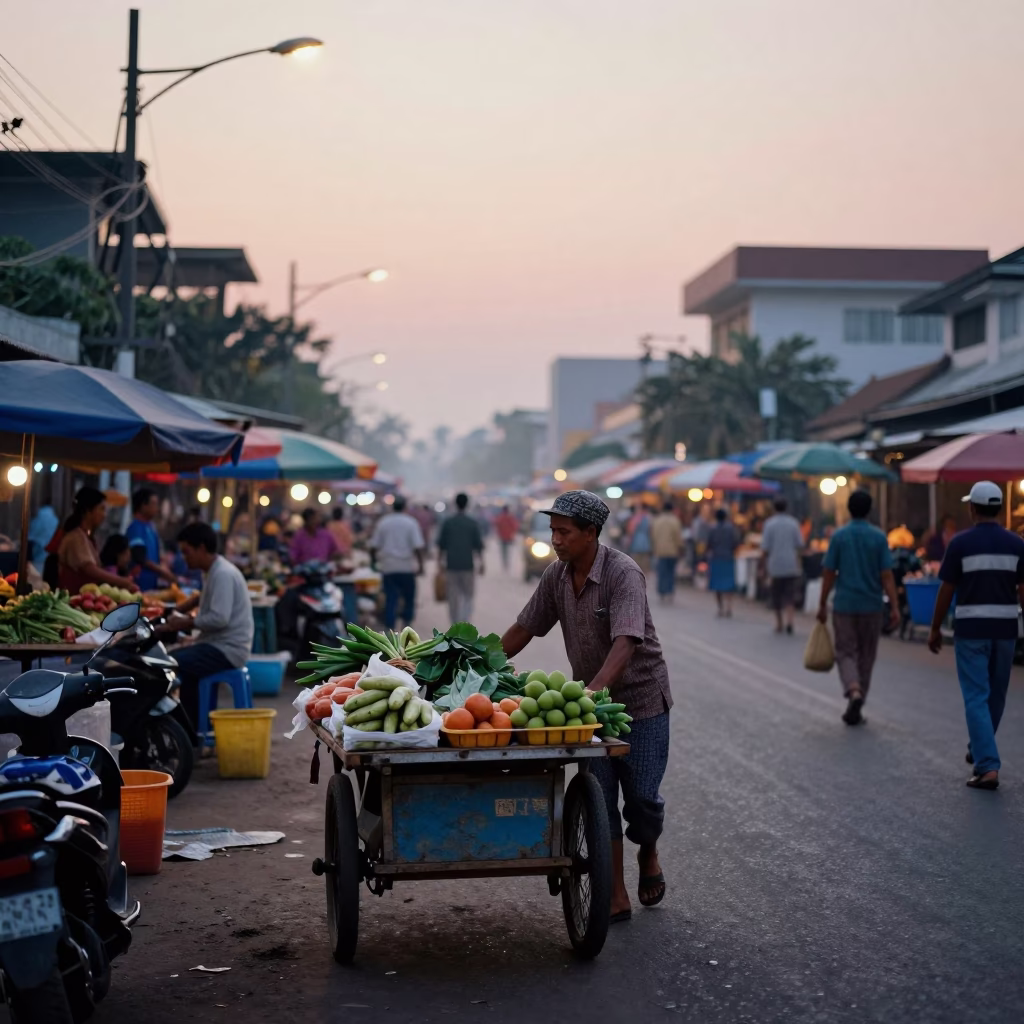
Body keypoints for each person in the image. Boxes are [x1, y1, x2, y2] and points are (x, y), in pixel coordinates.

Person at [500, 490, 672, 922]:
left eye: (564, 532)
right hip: (591, 710)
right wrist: (478, 662)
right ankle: (615, 894)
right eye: (553, 531)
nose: (555, 540)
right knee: (600, 801)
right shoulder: (556, 576)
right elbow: (525, 628)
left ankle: (648, 850)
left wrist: (593, 689)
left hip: (642, 702)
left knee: (643, 802)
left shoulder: (623, 573)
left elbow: (627, 640)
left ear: (591, 533)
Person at [928, 481, 1024, 790]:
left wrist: (934, 627)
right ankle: (981, 747)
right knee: (995, 695)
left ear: (973, 509)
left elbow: (947, 588)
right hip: (1006, 629)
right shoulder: (1017, 544)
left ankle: (987, 766)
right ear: (997, 508)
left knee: (975, 696)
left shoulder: (960, 543)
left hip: (971, 630)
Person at [816, 490, 900, 725]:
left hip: (845, 604)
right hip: (872, 605)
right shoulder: (879, 537)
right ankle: (859, 696)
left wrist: (822, 603)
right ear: (870, 509)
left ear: (848, 510)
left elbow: (828, 572)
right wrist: (894, 606)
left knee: (845, 651)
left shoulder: (839, 536)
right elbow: (887, 575)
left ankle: (853, 690)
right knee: (867, 654)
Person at [161, 522, 255, 727]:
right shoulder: (212, 572)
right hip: (218, 644)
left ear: (201, 548)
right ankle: (194, 726)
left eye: (187, 552)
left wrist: (184, 622)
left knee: (172, 662)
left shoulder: (222, 574)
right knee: (178, 661)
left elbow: (219, 619)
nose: (185, 558)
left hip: (228, 649)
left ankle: (189, 729)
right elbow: (205, 604)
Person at [56, 486, 140, 595]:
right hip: (74, 599)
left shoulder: (86, 536)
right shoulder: (75, 537)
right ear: (87, 511)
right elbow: (90, 569)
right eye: (101, 509)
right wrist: (122, 581)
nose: (104, 515)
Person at [370, 496, 426, 629]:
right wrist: (421, 566)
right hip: (406, 567)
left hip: (388, 567)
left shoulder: (383, 522)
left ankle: (390, 629)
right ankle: (407, 626)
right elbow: (418, 547)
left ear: (392, 507)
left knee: (390, 599)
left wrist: (373, 562)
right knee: (409, 598)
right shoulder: (411, 523)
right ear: (405, 507)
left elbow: (373, 546)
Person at [438, 493, 485, 623]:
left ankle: (454, 623)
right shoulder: (472, 523)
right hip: (467, 565)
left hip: (451, 565)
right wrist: (482, 563)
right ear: (467, 504)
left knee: (453, 596)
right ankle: (465, 621)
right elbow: (478, 546)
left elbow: (441, 546)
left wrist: (439, 564)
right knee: (468, 596)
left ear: (455, 504)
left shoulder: (448, 522)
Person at [761, 497, 805, 634]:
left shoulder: (769, 524)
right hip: (790, 564)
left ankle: (779, 623)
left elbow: (765, 547)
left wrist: (762, 565)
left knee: (776, 595)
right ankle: (790, 621)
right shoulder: (793, 523)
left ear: (774, 508)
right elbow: (800, 545)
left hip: (775, 565)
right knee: (789, 594)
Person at [125, 488, 175, 592]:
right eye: (154, 504)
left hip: (152, 584)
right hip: (139, 585)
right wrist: (162, 571)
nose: (157, 508)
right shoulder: (136, 527)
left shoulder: (151, 527)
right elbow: (139, 557)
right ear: (143, 505)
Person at [707, 508, 741, 617]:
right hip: (728, 558)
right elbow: (736, 542)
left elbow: (709, 543)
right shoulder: (731, 528)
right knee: (728, 584)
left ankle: (720, 607)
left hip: (716, 558)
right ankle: (729, 607)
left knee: (717, 585)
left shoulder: (712, 529)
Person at [651, 502, 683, 603]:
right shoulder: (675, 521)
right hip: (672, 551)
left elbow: (653, 536)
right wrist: (680, 547)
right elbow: (678, 537)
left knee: (661, 573)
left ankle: (662, 592)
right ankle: (669, 591)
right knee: (670, 572)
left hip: (660, 550)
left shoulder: (657, 521)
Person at [627, 504, 653, 573]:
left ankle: (638, 573)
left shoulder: (635, 518)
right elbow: (651, 530)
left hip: (636, 541)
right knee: (645, 560)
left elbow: (630, 531)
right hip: (646, 541)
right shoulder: (649, 518)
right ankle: (645, 574)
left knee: (637, 560)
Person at [494, 505, 520, 572]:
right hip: (509, 537)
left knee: (503, 552)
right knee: (508, 552)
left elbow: (497, 525)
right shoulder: (510, 517)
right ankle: (507, 564)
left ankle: (505, 564)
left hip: (502, 537)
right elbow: (515, 526)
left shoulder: (500, 517)